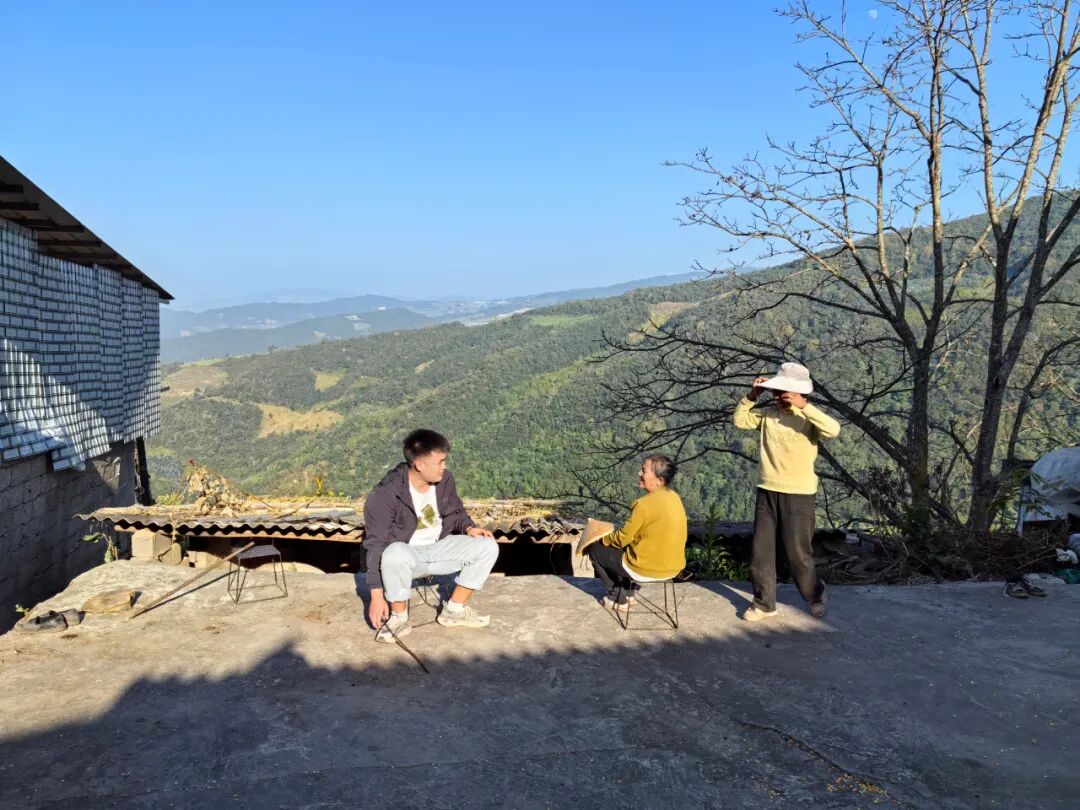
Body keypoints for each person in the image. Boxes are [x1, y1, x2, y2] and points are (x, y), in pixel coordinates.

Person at [363, 429, 499, 642]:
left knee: (487, 545)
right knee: (394, 552)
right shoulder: (385, 494)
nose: (444, 466)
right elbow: (375, 545)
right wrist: (376, 595)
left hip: (439, 549)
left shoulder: (444, 480)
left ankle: (454, 610)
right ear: (419, 464)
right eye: (439, 462)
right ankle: (398, 618)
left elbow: (456, 511)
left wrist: (469, 528)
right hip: (408, 556)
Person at [733, 361, 840, 621]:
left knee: (797, 553)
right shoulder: (768, 416)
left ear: (799, 393)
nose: (779, 397)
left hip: (799, 494)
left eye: (784, 392)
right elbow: (740, 420)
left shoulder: (808, 418)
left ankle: (815, 593)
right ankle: (764, 603)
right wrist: (752, 395)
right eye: (776, 392)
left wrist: (803, 406)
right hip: (767, 489)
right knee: (761, 552)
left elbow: (833, 429)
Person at [587, 455, 688, 610]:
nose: (639, 473)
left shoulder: (644, 505)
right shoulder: (674, 497)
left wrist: (603, 540)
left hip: (647, 568)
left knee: (596, 550)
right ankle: (628, 593)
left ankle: (617, 598)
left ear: (659, 480)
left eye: (644, 471)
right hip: (674, 567)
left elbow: (622, 538)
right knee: (628, 548)